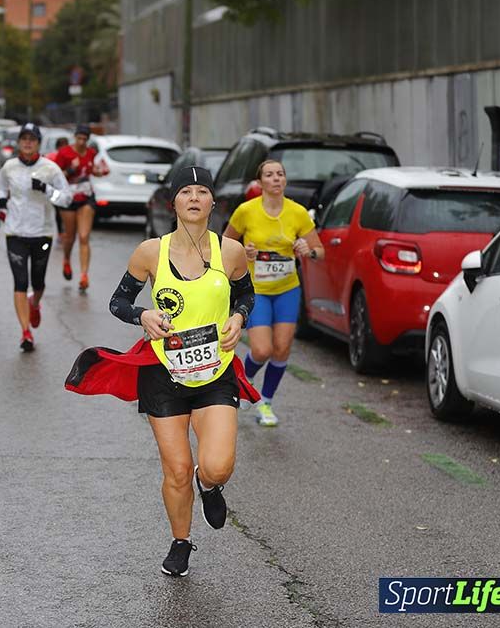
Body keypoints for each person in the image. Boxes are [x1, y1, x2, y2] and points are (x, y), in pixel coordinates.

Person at [65, 166, 257, 577]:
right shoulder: (150, 252)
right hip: (164, 374)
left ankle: (210, 485)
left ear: (212, 202)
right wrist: (143, 315)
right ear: (173, 203)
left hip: (216, 372)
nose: (194, 198)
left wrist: (239, 318)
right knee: (176, 470)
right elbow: (118, 302)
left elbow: (246, 294)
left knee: (217, 465)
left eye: (201, 191)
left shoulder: (231, 252)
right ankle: (181, 542)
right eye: (185, 191)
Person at [224, 159, 325, 426]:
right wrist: (243, 253)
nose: (276, 178)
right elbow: (225, 244)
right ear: (260, 182)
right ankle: (242, 382)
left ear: (285, 180)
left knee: (281, 349)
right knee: (261, 350)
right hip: (256, 290)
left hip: (287, 290)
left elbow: (320, 250)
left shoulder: (297, 212)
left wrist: (308, 250)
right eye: (269, 175)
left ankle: (265, 402)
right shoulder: (246, 211)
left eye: (280, 174)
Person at [0, 123, 72, 351]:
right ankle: (25, 332)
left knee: (38, 282)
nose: (28, 143)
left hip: (41, 233)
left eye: (32, 139)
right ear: (19, 142)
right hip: (15, 232)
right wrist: (0, 201)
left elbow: (67, 198)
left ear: (38, 143)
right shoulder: (9, 167)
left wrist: (47, 190)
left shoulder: (50, 169)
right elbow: (0, 188)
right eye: (24, 139)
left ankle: (35, 303)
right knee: (20, 282)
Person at [53, 125, 107, 291]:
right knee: (70, 237)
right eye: (79, 138)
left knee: (84, 236)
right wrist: (70, 169)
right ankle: (66, 259)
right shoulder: (64, 153)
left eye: (85, 139)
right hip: (69, 199)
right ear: (74, 137)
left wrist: (100, 171)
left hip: (86, 197)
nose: (82, 142)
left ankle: (84, 275)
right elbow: (55, 175)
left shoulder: (90, 153)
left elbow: (91, 170)